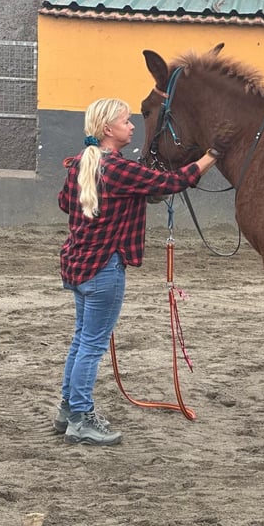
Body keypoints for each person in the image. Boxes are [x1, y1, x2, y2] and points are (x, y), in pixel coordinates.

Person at [53, 97, 228, 446]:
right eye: (125, 121)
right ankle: (82, 417)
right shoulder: (118, 169)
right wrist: (212, 155)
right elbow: (173, 182)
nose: (133, 126)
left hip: (77, 266)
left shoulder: (79, 165)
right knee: (91, 344)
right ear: (108, 130)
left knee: (81, 341)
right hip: (104, 269)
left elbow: (64, 203)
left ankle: (68, 411)